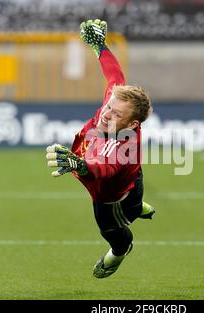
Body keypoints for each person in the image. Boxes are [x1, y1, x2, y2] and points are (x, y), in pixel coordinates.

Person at [45, 19, 155, 279]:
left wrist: (81, 164)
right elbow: (115, 75)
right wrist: (99, 46)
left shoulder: (123, 147)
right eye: (109, 107)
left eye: (116, 114)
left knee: (114, 236)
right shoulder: (115, 103)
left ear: (133, 123)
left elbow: (103, 169)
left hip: (111, 201)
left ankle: (121, 250)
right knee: (135, 196)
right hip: (132, 180)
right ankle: (137, 206)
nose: (106, 115)